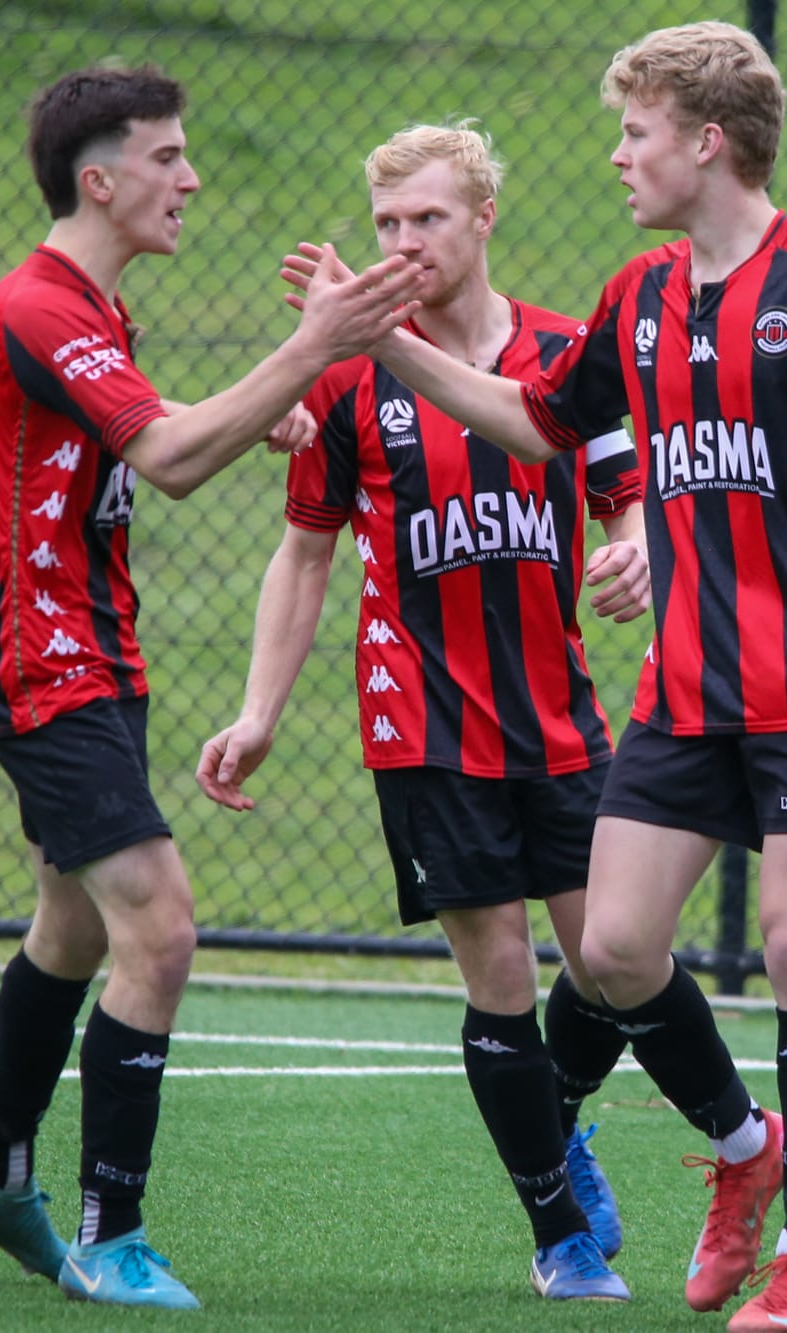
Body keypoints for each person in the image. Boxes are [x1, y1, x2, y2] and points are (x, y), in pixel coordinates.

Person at [285, 23, 787, 1332]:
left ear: (704, 140)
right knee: (613, 948)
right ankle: (745, 1155)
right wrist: (379, 338)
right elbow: (534, 420)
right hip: (685, 692)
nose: (619, 156)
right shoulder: (637, 297)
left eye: (637, 132)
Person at [0, 66, 420, 1312]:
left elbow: (153, 426)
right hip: (41, 657)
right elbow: (168, 454)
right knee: (161, 922)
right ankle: (111, 1230)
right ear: (99, 180)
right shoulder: (37, 306)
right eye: (167, 158)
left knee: (75, 928)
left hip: (92, 650)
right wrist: (312, 350)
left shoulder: (87, 307)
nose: (190, 179)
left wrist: (265, 409)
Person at [197, 122, 652, 1302]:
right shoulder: (346, 376)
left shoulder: (563, 350)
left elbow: (627, 503)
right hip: (425, 725)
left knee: (614, 953)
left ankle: (552, 1120)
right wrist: (257, 711)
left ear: (482, 217)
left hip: (558, 714)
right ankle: (556, 1234)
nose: (404, 242)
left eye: (428, 220)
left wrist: (634, 553)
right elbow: (303, 557)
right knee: (497, 967)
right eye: (387, 224)